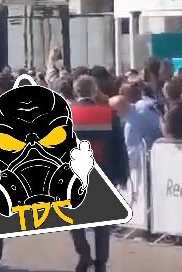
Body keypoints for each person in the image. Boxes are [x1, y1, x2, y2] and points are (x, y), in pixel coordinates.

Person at [69, 75, 129, 272]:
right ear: (94, 90)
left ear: (76, 91)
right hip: (104, 173)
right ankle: (101, 261)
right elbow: (119, 147)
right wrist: (122, 174)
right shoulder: (109, 115)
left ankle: (84, 253)